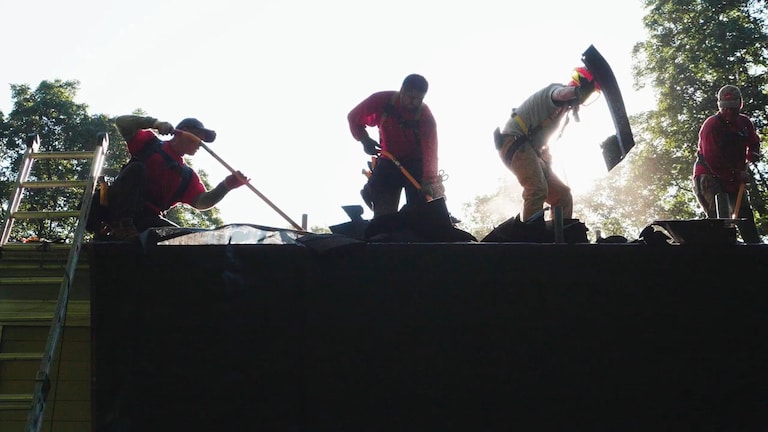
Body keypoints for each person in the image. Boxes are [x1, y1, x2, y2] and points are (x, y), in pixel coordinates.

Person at [105, 115, 247, 240]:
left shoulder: (187, 176)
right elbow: (122, 121)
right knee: (137, 168)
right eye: (199, 137)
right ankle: (121, 225)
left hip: (148, 219)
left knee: (184, 239)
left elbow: (201, 201)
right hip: (117, 207)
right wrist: (155, 123)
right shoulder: (149, 144)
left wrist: (226, 186)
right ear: (184, 132)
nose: (200, 144)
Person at [494, 66, 601, 222]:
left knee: (563, 195)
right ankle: (531, 234)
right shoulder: (555, 91)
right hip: (515, 143)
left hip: (531, 151)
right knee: (537, 189)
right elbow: (560, 94)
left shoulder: (561, 112)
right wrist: (577, 92)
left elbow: (544, 141)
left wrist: (546, 162)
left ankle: (557, 234)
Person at [348, 74, 444, 218]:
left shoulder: (425, 117)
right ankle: (379, 215)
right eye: (411, 97)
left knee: (421, 211)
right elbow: (353, 117)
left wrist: (429, 182)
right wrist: (364, 139)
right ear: (402, 91)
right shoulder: (381, 101)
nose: (414, 103)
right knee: (384, 213)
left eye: (419, 99)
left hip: (416, 165)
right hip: (389, 161)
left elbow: (430, 152)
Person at [693, 85, 762, 243]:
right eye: (725, 108)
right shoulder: (711, 126)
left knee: (744, 214)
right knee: (720, 217)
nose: (729, 112)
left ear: (740, 105)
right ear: (719, 106)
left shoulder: (744, 123)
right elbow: (712, 159)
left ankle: (754, 246)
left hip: (734, 178)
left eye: (732, 108)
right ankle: (723, 246)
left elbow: (753, 142)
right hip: (710, 176)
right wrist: (736, 174)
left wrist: (753, 153)